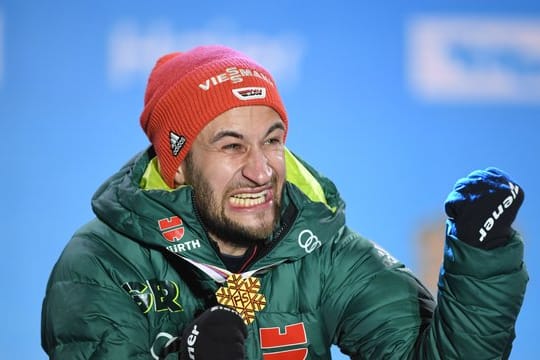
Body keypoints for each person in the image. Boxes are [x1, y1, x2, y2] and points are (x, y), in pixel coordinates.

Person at [41, 45, 528, 360]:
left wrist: (480, 259)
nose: (261, 169)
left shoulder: (321, 247)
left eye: (272, 141)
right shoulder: (100, 262)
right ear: (179, 165)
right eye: (232, 146)